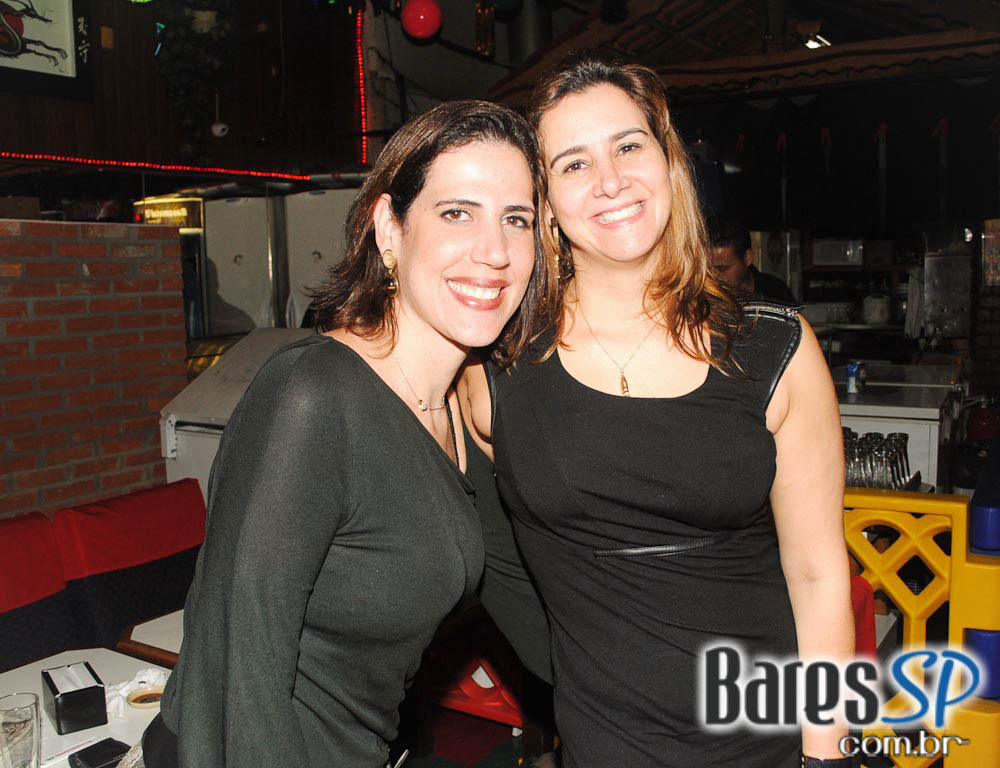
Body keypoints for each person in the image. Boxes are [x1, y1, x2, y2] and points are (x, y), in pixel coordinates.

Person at [127, 100, 551, 768]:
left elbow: (532, 618)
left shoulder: (459, 412)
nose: (494, 251)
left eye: (516, 219)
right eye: (457, 213)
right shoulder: (312, 395)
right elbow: (239, 671)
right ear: (389, 229)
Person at [462, 56, 853, 768]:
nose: (610, 180)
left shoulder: (774, 348)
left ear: (669, 161)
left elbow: (818, 574)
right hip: (602, 748)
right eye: (574, 164)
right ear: (544, 201)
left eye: (628, 146)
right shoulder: (495, 370)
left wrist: (826, 757)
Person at [708, 215, 797, 304]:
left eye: (722, 269)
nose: (714, 276)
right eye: (708, 269)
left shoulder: (776, 292)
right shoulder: (704, 297)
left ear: (747, 257)